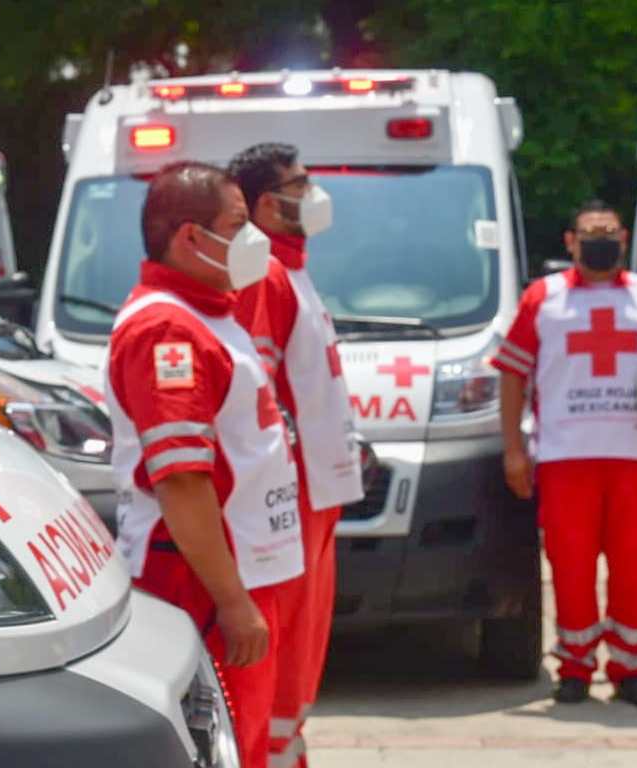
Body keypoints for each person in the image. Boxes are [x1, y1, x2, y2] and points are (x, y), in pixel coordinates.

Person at [105, 161, 303, 768]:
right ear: (191, 237)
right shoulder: (168, 330)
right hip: (202, 580)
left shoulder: (209, 313)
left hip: (238, 569)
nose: (255, 239)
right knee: (223, 743)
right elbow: (183, 481)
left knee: (248, 737)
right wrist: (233, 600)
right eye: (239, 224)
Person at [493, 199, 637, 706]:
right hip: (563, 458)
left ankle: (630, 670)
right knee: (570, 568)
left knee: (636, 568)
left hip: (636, 459)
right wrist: (513, 449)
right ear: (570, 241)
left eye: (609, 232)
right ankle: (575, 668)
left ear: (624, 239)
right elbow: (511, 373)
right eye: (590, 232)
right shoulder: (543, 298)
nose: (600, 240)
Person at [228, 143, 363, 768]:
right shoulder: (266, 274)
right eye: (300, 184)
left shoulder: (292, 270)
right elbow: (255, 387)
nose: (313, 195)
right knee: (285, 647)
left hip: (320, 490)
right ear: (265, 204)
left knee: (304, 647)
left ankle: (287, 751)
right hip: (295, 493)